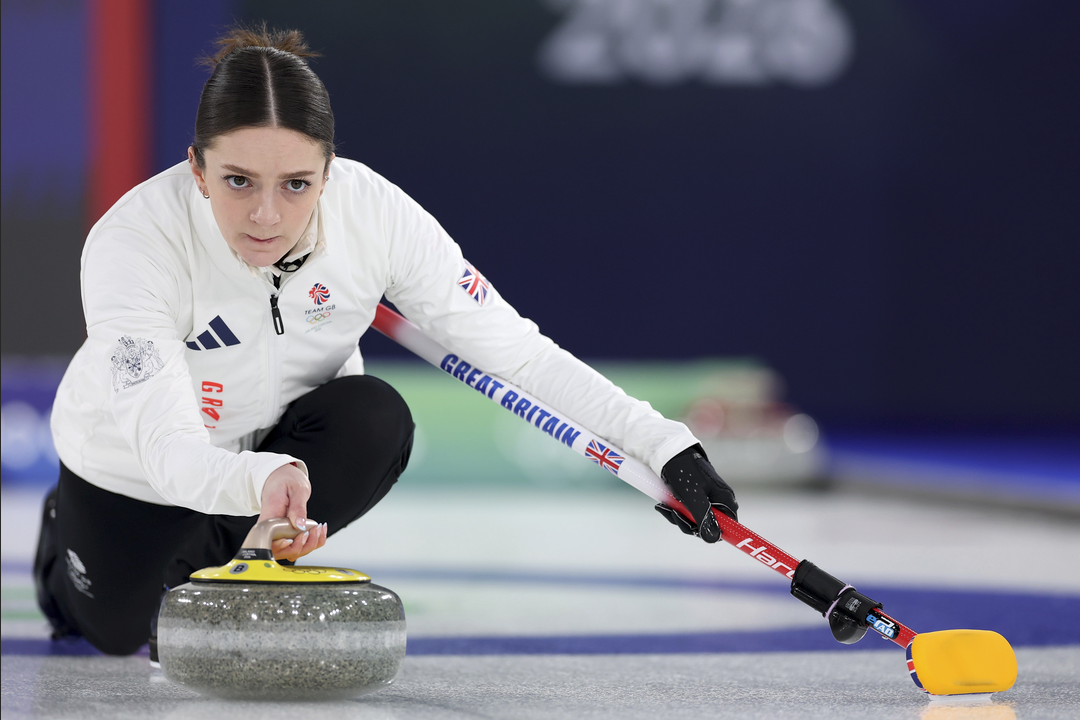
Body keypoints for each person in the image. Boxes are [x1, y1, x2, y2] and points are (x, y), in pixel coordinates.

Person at [35, 24, 738, 656]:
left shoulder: (374, 216)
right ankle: (68, 542)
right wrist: (258, 479)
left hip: (280, 453)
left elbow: (517, 352)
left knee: (375, 417)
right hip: (135, 468)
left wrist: (663, 444)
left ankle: (230, 563)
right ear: (197, 169)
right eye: (238, 181)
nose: (266, 215)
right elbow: (167, 452)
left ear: (329, 173)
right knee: (117, 635)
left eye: (297, 184)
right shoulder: (135, 245)